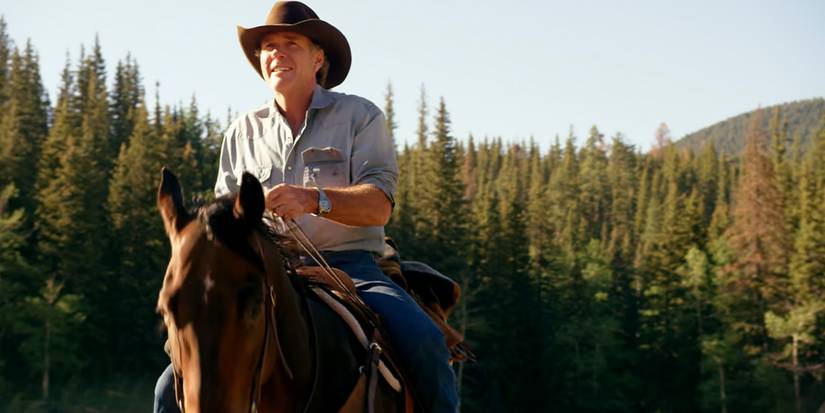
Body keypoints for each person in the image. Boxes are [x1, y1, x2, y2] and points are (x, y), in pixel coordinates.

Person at [153, 2, 459, 412]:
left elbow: (379, 206)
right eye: (268, 47)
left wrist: (314, 199)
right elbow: (223, 233)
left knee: (424, 341)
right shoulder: (241, 132)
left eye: (291, 44)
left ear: (318, 59)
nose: (277, 53)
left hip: (354, 270)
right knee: (167, 388)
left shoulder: (360, 116)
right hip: (264, 279)